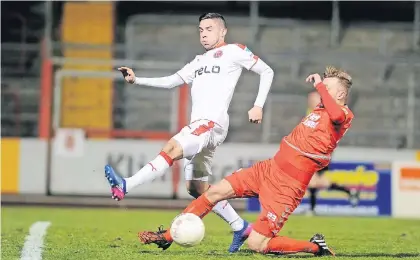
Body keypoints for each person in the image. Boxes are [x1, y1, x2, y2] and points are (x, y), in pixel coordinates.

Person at [138, 66, 354, 256]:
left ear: (341, 93)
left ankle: (316, 248)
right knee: (213, 193)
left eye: (327, 87)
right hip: (268, 169)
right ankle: (166, 237)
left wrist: (321, 88)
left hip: (287, 186)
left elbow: (335, 116)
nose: (321, 90)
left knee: (257, 244)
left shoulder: (343, 114)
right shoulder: (320, 109)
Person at [104, 12, 274, 253]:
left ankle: (125, 185)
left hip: (211, 123)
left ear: (222, 31)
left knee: (172, 148)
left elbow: (267, 71)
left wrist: (258, 105)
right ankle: (240, 227)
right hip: (203, 126)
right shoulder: (198, 61)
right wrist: (136, 80)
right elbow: (173, 80)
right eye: (201, 30)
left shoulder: (234, 51)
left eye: (209, 29)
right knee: (196, 188)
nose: (204, 34)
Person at [306, 91, 360, 216]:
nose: (310, 101)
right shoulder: (312, 113)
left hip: (321, 151)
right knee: (320, 182)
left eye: (313, 99)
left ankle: (312, 209)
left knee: (313, 181)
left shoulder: (325, 113)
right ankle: (349, 192)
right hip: (314, 150)